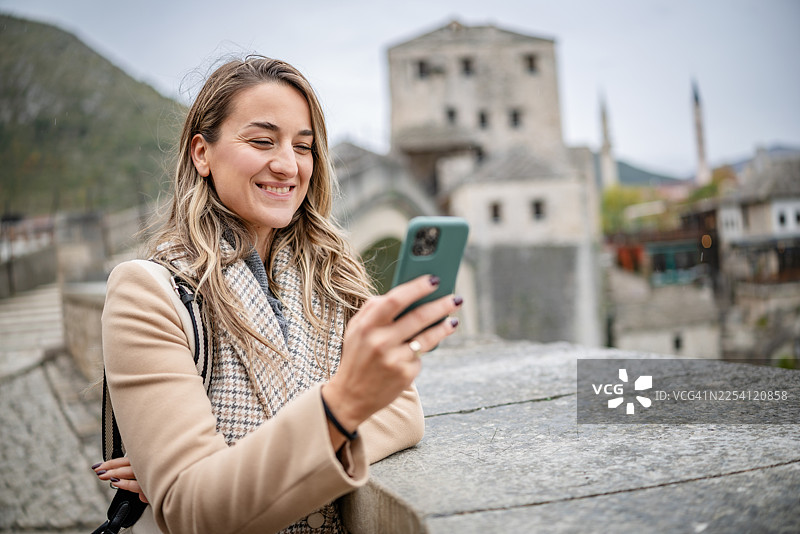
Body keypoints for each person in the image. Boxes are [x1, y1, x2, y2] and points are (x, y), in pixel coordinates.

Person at [94, 56, 462, 533]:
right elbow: (195, 513)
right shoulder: (148, 294)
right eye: (262, 141)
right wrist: (342, 408)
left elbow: (404, 412)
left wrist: (224, 464)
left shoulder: (331, 276)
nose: (288, 165)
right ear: (202, 153)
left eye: (303, 146)